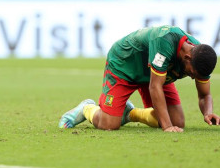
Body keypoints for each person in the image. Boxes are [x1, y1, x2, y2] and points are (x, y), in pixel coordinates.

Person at [59, 25, 220, 132]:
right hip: (125, 64)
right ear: (186, 57)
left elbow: (204, 94)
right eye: (192, 73)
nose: (193, 77)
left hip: (156, 74)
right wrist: (167, 127)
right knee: (108, 124)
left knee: (178, 121)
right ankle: (86, 108)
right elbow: (155, 86)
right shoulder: (164, 42)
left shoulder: (201, 57)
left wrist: (208, 113)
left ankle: (130, 113)